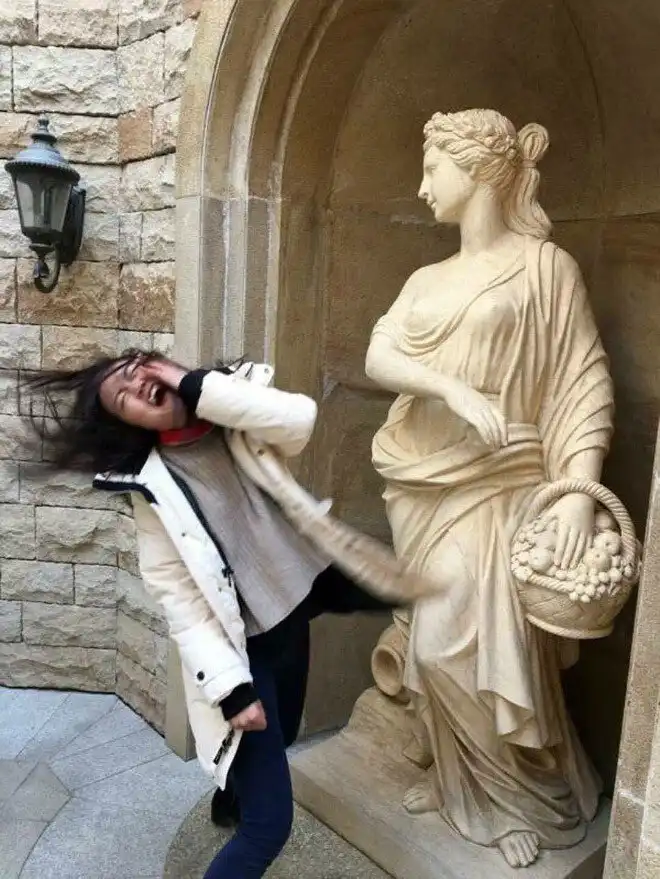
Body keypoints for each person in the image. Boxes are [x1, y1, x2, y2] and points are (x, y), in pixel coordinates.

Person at [25, 352, 409, 879]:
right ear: (128, 424)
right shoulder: (153, 489)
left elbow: (298, 420)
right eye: (123, 398)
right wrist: (232, 691)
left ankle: (229, 798)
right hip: (244, 654)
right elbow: (182, 604)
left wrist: (195, 385)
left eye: (139, 371)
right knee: (267, 827)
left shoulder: (239, 413)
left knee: (283, 736)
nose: (138, 387)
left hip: (294, 618)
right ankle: (240, 803)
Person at [365, 109, 614, 868]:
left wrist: (579, 492)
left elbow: (583, 381)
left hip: (504, 485)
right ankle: (455, 782)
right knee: (434, 645)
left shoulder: (546, 268)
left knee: (464, 647)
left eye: (431, 169)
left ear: (475, 172)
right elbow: (378, 353)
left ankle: (517, 798)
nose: (421, 186)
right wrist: (451, 389)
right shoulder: (426, 278)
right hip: (423, 484)